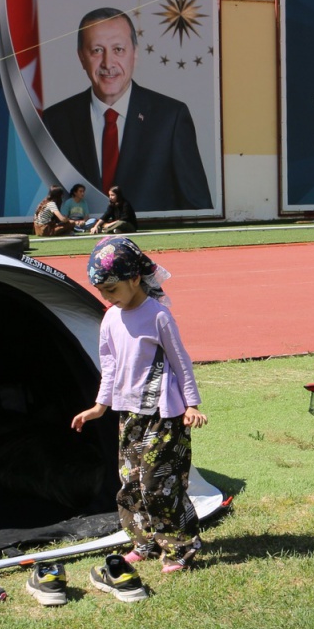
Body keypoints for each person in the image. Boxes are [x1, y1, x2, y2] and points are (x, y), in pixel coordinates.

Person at [71, 237, 206, 598]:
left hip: (164, 415)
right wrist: (100, 406)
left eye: (112, 289)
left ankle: (181, 546)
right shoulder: (110, 318)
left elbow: (180, 361)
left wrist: (191, 404)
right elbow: (110, 365)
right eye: (101, 291)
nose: (107, 297)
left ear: (134, 279)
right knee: (130, 483)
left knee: (158, 482)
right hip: (130, 414)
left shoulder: (157, 315)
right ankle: (144, 542)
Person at [41, 8, 213, 211]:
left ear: (135, 54)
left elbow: (198, 209)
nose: (108, 63)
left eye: (118, 49)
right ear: (81, 57)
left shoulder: (170, 118)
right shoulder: (55, 121)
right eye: (97, 50)